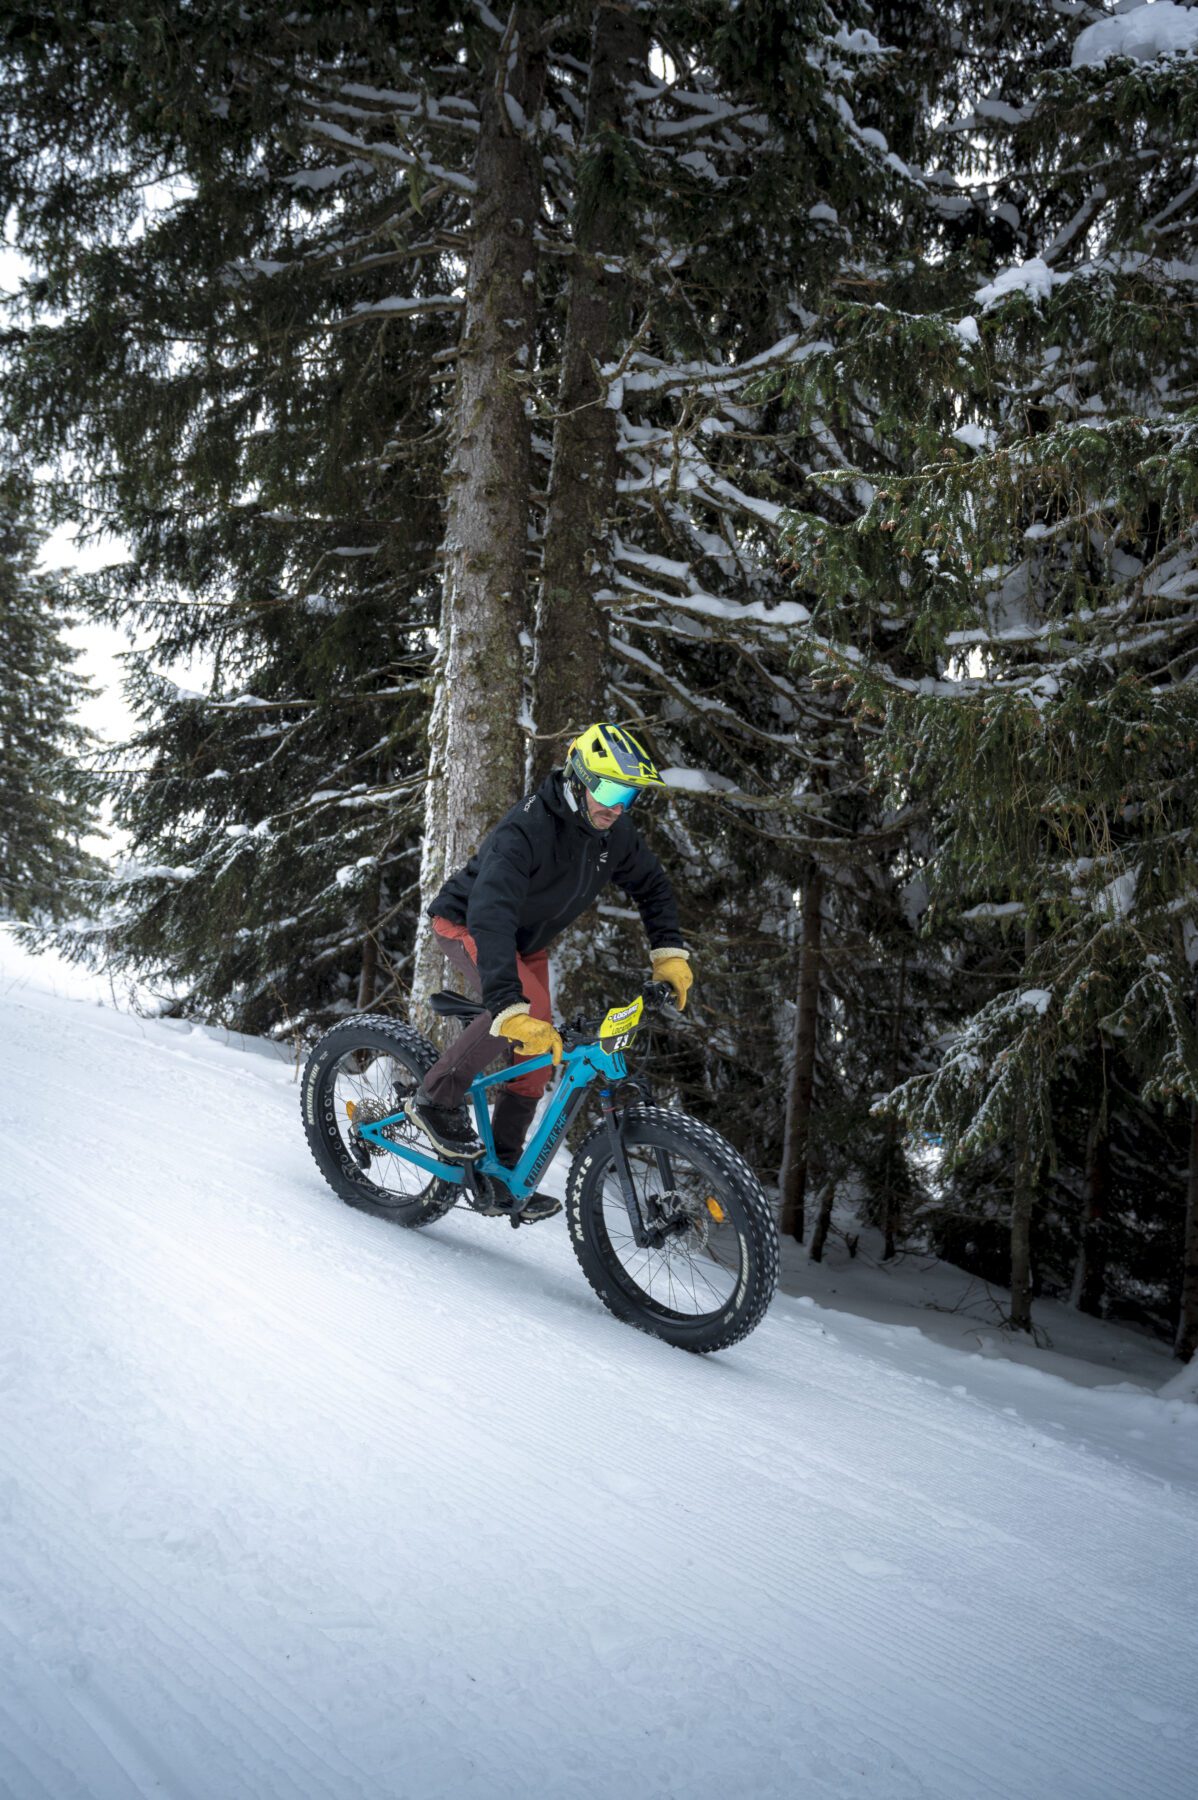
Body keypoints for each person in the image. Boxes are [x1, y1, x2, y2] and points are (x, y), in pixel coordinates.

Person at [406, 722, 693, 1220]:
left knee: (540, 1051)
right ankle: (433, 1099)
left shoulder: (613, 831)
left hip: (524, 939)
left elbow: (652, 885)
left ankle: (500, 1170)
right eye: (607, 789)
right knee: (527, 1011)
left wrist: (668, 952)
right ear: (579, 781)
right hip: (468, 923)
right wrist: (507, 1003)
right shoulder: (526, 830)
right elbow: (490, 914)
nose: (617, 805)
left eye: (630, 794)